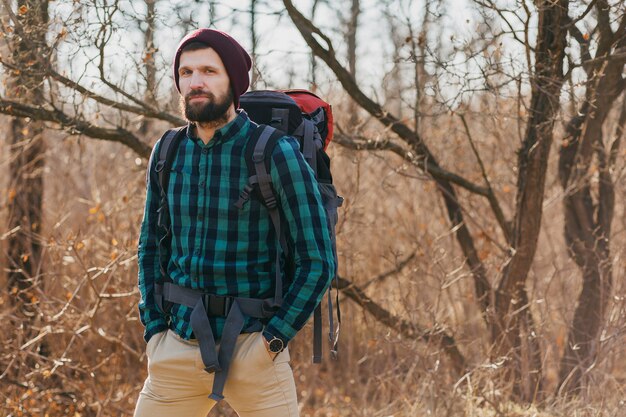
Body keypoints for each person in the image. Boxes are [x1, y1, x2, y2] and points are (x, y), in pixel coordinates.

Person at [134, 28, 334, 417]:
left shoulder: (274, 151)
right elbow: (149, 248)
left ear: (234, 82)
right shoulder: (168, 150)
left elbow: (318, 261)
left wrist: (273, 342)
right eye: (187, 72)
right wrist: (154, 330)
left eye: (209, 70)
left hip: (254, 348)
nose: (196, 82)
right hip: (175, 347)